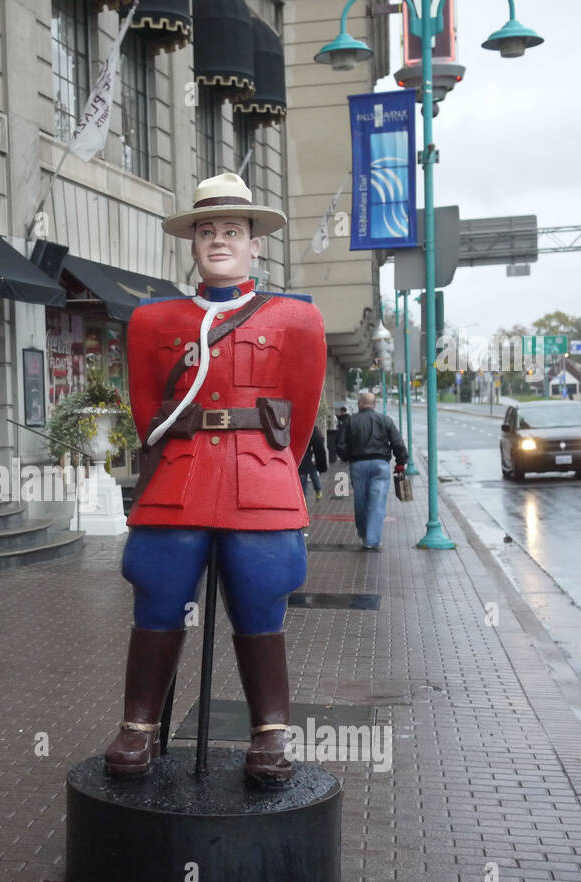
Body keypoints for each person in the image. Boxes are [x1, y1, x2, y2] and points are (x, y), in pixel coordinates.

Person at [102, 173, 326, 786]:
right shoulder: (153, 320)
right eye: (207, 231)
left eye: (233, 230)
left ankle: (270, 732)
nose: (219, 240)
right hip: (180, 474)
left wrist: (274, 468)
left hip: (260, 479)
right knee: (157, 584)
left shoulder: (296, 319)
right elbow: (148, 411)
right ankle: (140, 726)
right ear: (192, 243)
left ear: (256, 244)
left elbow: (299, 415)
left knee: (261, 593)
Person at [335, 390, 407, 551]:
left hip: (358, 465)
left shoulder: (350, 421)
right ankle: (372, 540)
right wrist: (401, 462)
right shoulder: (385, 420)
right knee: (377, 502)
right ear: (374, 405)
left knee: (360, 500)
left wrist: (348, 457)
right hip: (380, 465)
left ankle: (363, 532)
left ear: (360, 404)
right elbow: (397, 443)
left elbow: (340, 444)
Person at [299, 424, 327, 500]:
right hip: (308, 459)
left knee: (306, 480)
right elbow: (320, 442)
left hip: (304, 461)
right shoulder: (311, 427)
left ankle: (305, 500)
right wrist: (321, 466)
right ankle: (318, 490)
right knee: (313, 476)